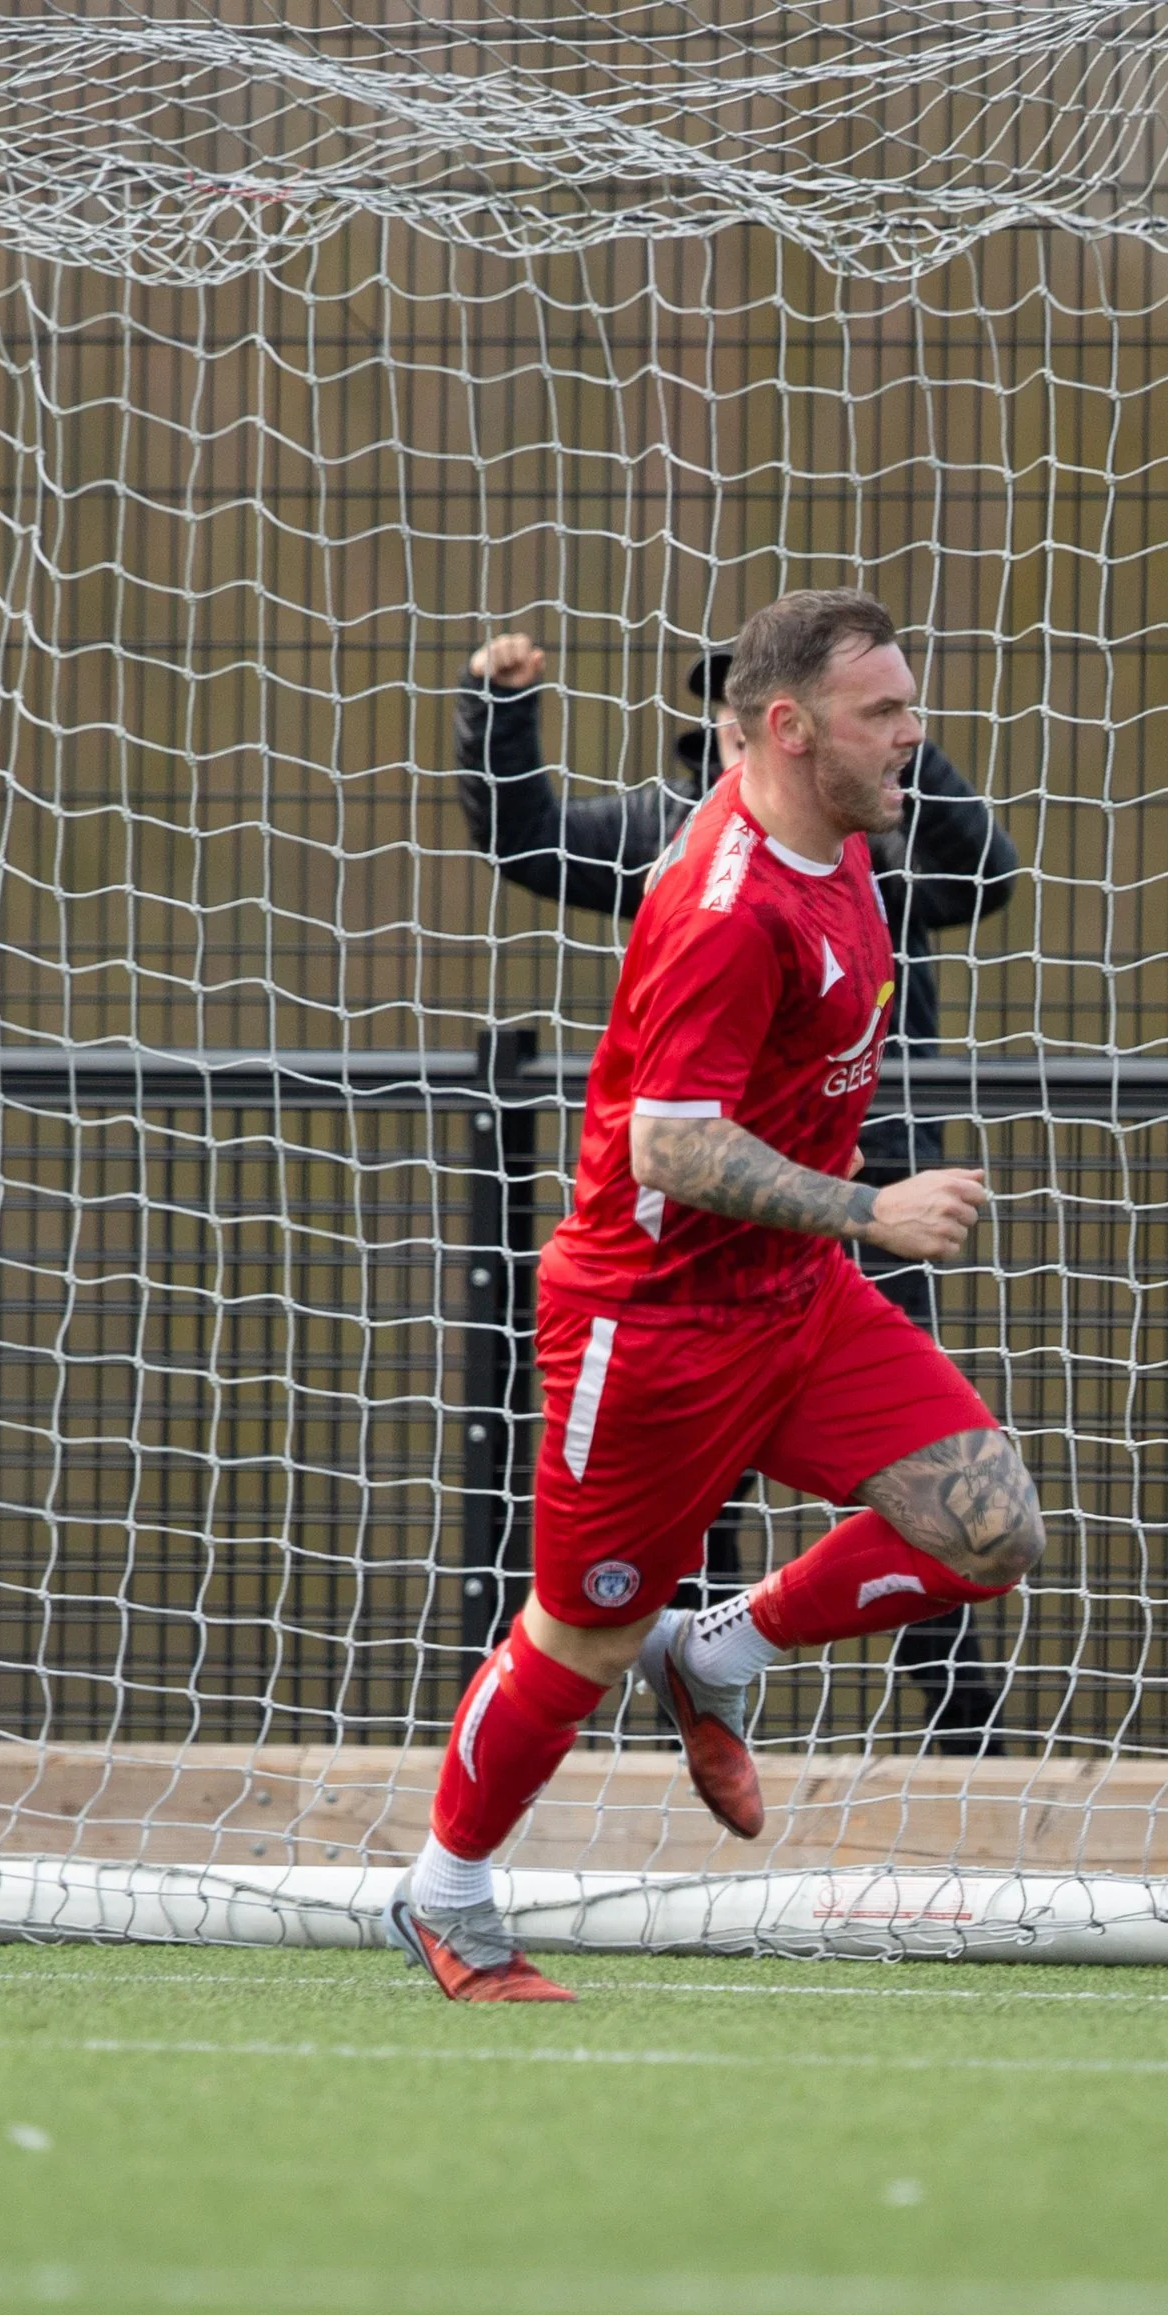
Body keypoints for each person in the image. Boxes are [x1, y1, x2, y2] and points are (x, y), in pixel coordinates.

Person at [391, 590, 1046, 2001]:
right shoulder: (722, 902)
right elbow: (669, 1146)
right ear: (790, 729)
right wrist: (872, 1207)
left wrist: (838, 1216)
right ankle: (447, 1893)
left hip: (795, 1296)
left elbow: (982, 873)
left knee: (988, 1524)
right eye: (885, 713)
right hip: (654, 1326)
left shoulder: (857, 845)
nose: (916, 735)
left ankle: (715, 1652)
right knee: (580, 1633)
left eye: (911, 705)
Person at [455, 628, 1022, 1751]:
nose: (743, 725)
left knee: (947, 1498)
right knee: (683, 1521)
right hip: (706, 1260)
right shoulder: (683, 842)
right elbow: (530, 843)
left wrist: (897, 746)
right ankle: (686, 1700)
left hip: (867, 1213)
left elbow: (985, 874)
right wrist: (497, 715)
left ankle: (957, 1726)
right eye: (726, 707)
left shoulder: (873, 828)